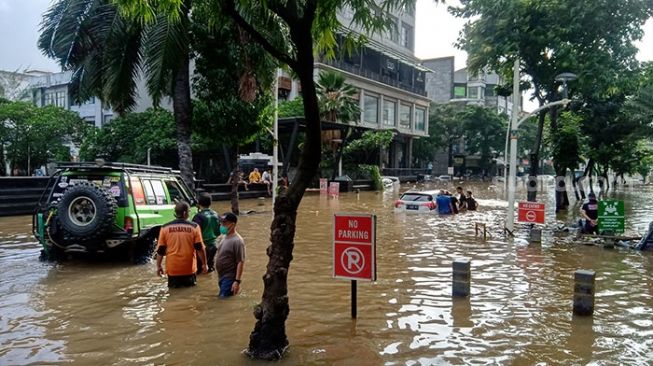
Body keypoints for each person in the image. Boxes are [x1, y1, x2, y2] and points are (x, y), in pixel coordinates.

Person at [156, 202, 208, 288]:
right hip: (189, 269)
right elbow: (200, 248)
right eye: (189, 211)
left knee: (173, 294)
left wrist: (158, 266)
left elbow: (161, 250)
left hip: (172, 269)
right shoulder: (194, 227)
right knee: (190, 294)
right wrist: (204, 264)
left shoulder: (164, 228)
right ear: (185, 213)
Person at [215, 212, 246, 297]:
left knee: (223, 300)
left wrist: (237, 281)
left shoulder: (237, 241)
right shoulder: (223, 237)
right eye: (221, 222)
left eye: (225, 223)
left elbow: (241, 261)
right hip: (221, 276)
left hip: (229, 278)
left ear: (233, 224)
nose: (222, 225)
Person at [192, 193, 220, 273]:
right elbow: (218, 232)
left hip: (202, 247)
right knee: (210, 268)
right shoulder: (216, 214)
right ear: (210, 203)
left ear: (198, 203)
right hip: (213, 245)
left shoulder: (198, 216)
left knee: (199, 270)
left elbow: (195, 234)